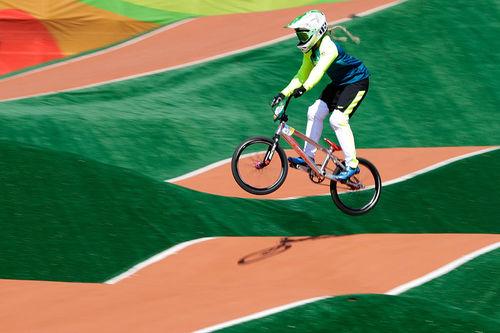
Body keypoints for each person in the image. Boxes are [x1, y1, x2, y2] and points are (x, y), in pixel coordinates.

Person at [271, 10, 369, 180]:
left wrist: (305, 88)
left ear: (316, 32)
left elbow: (318, 71)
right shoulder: (310, 51)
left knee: (337, 120)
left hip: (357, 82)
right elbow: (302, 74)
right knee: (313, 112)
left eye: (303, 35)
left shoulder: (329, 47)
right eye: (299, 35)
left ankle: (352, 165)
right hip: (339, 84)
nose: (300, 39)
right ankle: (307, 157)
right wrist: (283, 93)